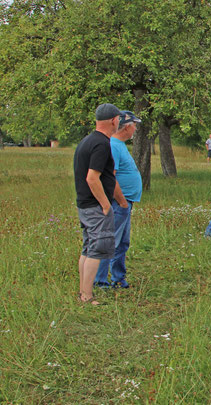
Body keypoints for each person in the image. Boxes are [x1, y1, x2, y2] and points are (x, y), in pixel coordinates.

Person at [74, 103, 122, 305]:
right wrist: (105, 205)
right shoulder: (101, 144)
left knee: (88, 248)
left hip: (85, 204)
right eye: (118, 119)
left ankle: (83, 292)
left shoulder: (87, 141)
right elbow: (92, 178)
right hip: (95, 206)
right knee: (96, 249)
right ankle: (87, 296)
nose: (119, 122)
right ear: (113, 120)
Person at [95, 111, 143, 289]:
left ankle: (118, 277)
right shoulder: (113, 146)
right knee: (111, 241)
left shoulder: (119, 145)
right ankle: (100, 281)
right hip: (119, 202)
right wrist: (121, 201)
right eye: (134, 125)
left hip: (126, 202)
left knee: (122, 243)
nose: (135, 129)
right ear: (127, 127)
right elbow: (110, 177)